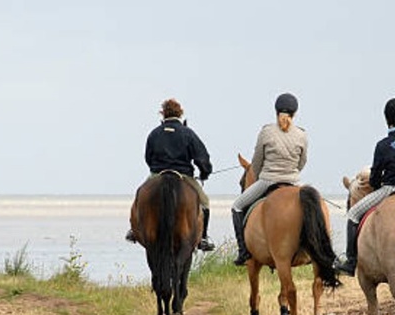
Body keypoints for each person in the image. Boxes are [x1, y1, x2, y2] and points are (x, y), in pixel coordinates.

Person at [333, 98, 395, 276]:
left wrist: (377, 183)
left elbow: (374, 179)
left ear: (386, 118)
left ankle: (351, 261)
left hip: (390, 189)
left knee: (352, 215)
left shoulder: (383, 145)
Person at [127, 98, 215, 251]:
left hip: (157, 174)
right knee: (205, 202)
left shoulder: (154, 133)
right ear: (180, 114)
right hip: (184, 176)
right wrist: (205, 172)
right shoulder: (188, 133)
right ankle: (203, 238)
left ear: (163, 114)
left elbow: (148, 157)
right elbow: (202, 157)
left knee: (139, 195)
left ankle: (135, 230)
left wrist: (156, 169)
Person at [231, 93, 308, 266]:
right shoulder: (302, 135)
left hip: (267, 180)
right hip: (293, 181)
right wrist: (291, 174)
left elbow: (257, 162)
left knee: (236, 207)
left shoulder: (266, 132)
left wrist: (261, 175)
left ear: (276, 111)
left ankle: (243, 252)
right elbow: (302, 162)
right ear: (295, 113)